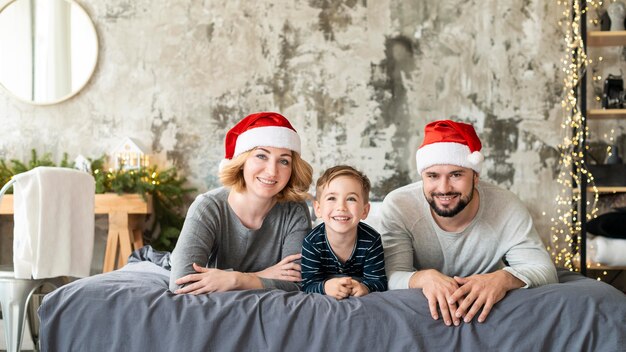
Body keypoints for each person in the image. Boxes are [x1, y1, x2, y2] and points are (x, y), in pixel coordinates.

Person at [380, 119, 558, 326]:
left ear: (475, 177)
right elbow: (391, 275)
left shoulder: (506, 205)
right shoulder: (399, 205)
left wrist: (503, 278)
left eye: (456, 175)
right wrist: (424, 278)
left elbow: (543, 268)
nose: (444, 188)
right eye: (432, 176)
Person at [169, 112, 313, 294]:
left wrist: (238, 279)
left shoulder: (295, 209)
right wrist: (263, 276)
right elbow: (181, 284)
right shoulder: (207, 208)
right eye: (261, 156)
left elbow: (298, 282)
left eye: (284, 161)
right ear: (242, 162)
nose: (272, 171)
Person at [301, 165, 387, 299]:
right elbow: (307, 284)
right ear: (318, 209)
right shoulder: (312, 242)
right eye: (331, 198)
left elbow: (379, 281)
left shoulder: (371, 240)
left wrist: (365, 287)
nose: (341, 207)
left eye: (351, 199)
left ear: (365, 211)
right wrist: (325, 287)